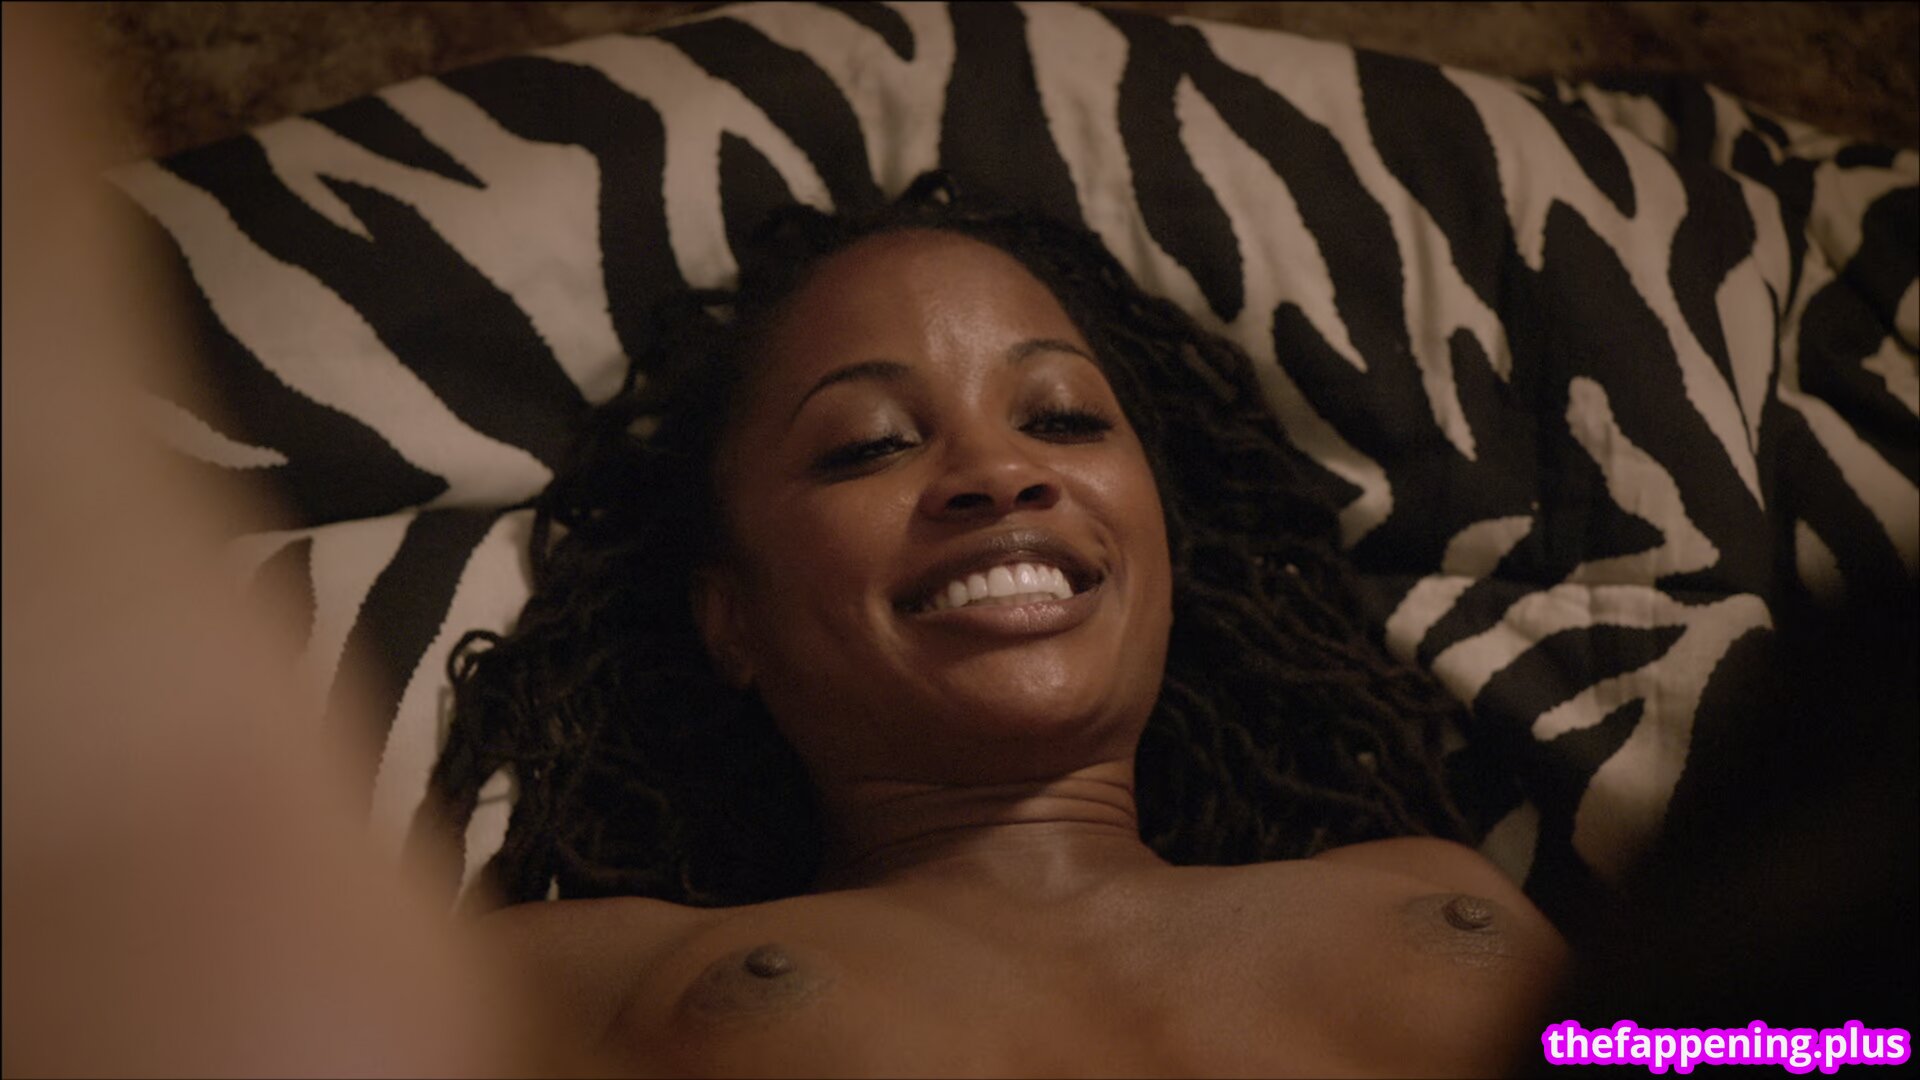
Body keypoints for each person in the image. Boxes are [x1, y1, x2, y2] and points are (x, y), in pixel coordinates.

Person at [416, 176, 1570, 1075]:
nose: (1000, 472)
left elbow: (1672, 1048)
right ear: (732, 623)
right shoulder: (578, 980)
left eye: (1063, 420)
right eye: (868, 444)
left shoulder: (1433, 890)